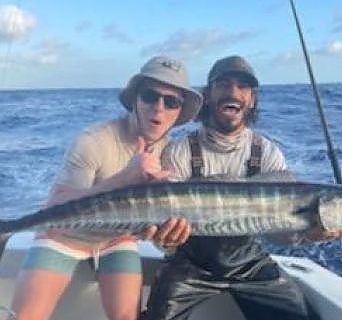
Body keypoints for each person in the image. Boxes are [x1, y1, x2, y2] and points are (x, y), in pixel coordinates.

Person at [143, 55, 342, 320]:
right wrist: (166, 241)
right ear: (207, 96)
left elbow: (280, 234)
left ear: (252, 100)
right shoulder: (180, 151)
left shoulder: (268, 154)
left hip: (249, 265)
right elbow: (166, 228)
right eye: (223, 84)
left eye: (243, 87)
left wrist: (312, 234)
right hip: (190, 265)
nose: (233, 92)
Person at [11, 56, 203, 320]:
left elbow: (157, 228)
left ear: (179, 112)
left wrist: (166, 237)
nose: (159, 108)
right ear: (135, 99)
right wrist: (124, 178)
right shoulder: (93, 141)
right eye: (150, 96)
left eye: (171, 102)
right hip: (64, 237)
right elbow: (54, 207)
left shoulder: (170, 154)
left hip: (116, 239)